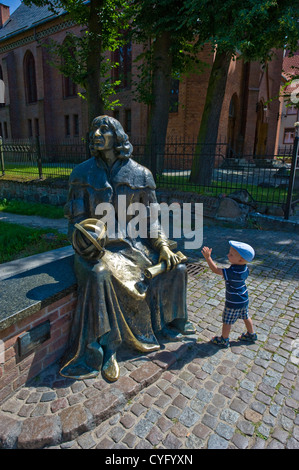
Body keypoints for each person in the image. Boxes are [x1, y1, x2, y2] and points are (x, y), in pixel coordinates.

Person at [60, 115, 195, 382]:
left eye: (104, 129)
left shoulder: (141, 174)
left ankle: (172, 323)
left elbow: (151, 220)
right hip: (95, 250)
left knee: (176, 265)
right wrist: (86, 241)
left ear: (118, 136)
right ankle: (103, 348)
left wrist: (163, 246)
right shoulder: (81, 173)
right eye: (94, 129)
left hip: (134, 247)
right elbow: (74, 222)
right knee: (99, 273)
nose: (96, 134)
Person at [201, 240, 257, 348]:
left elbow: (216, 270)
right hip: (244, 299)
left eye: (231, 254)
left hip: (233, 302)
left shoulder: (232, 272)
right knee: (246, 316)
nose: (227, 255)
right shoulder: (245, 268)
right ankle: (251, 334)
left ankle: (224, 339)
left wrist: (208, 258)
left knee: (227, 321)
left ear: (240, 259)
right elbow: (236, 278)